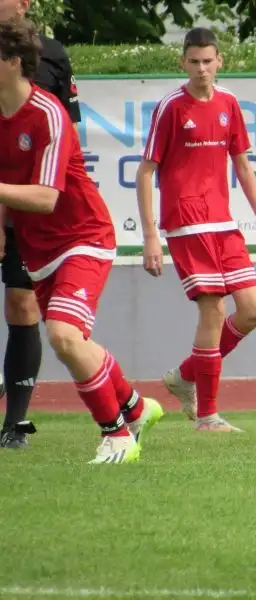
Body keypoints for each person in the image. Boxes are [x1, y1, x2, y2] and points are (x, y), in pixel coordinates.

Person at [0, 17, 164, 464]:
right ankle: (135, 406)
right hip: (38, 251)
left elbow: (47, 197)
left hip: (83, 237)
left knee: (63, 336)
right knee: (74, 341)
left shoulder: (48, 112)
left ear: (13, 62)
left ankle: (116, 435)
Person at [136, 27, 256, 433]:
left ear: (219, 62)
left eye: (208, 61)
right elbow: (147, 172)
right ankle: (208, 417)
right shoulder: (171, 108)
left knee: (253, 311)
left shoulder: (229, 103)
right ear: (183, 63)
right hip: (185, 222)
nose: (201, 69)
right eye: (194, 62)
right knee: (213, 308)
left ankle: (184, 376)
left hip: (223, 222)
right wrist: (150, 237)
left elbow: (243, 165)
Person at [0, 0, 82, 449]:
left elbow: (69, 134)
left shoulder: (51, 54)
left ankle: (15, 425)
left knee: (22, 305)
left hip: (27, 205)